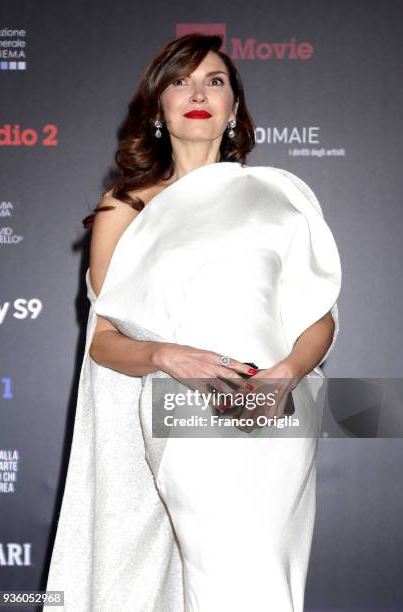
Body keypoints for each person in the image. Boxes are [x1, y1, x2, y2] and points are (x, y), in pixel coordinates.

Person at [44, 33, 342, 612]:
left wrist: (285, 376)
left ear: (235, 107)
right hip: (180, 408)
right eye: (180, 81)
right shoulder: (126, 207)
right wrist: (164, 355)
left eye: (215, 80)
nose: (197, 92)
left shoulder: (281, 197)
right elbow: (105, 341)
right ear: (158, 107)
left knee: (266, 573)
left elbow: (319, 317)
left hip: (277, 410)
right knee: (221, 569)